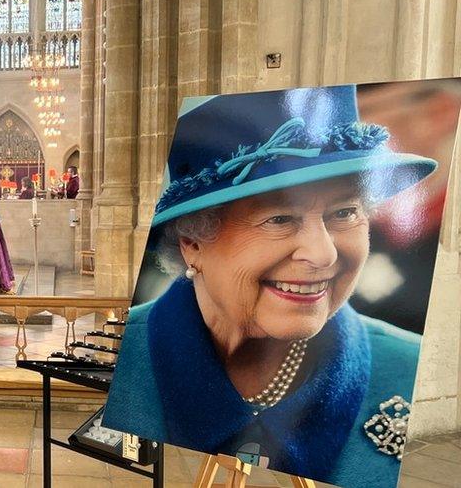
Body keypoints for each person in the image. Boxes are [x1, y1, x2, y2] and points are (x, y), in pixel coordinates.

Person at [102, 85, 442, 488]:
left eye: (345, 212)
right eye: (279, 218)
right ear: (192, 244)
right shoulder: (126, 357)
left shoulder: (414, 370)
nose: (323, 254)